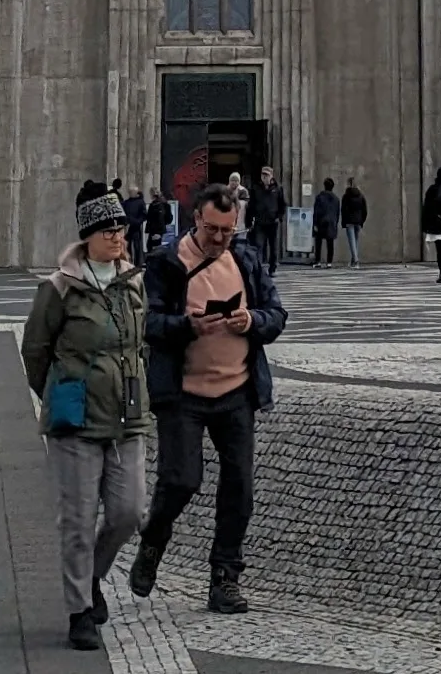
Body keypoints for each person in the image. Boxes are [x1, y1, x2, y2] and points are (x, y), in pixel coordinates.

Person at [130, 181, 286, 618]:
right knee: (181, 480)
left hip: (236, 391)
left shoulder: (246, 259)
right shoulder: (166, 262)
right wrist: (186, 326)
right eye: (213, 229)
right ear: (196, 218)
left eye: (228, 231)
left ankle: (225, 578)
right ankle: (153, 539)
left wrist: (251, 319)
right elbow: (147, 321)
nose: (219, 239)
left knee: (239, 487)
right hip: (182, 393)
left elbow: (277, 315)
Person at [21, 186, 151, 653]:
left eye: (121, 229)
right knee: (77, 518)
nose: (118, 237)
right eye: (109, 230)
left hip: (128, 412)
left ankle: (93, 575)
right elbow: (35, 350)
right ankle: (79, 610)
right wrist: (58, 392)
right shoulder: (59, 287)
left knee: (128, 511)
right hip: (76, 418)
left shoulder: (133, 280)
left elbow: (141, 343)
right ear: (89, 235)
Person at [245, 162, 286, 275]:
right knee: (258, 245)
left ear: (271, 176)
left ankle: (272, 268)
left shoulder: (278, 188)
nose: (265, 177)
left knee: (273, 247)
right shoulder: (256, 188)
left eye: (267, 175)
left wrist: (279, 217)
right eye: (263, 175)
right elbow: (251, 205)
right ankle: (258, 268)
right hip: (260, 221)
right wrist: (249, 221)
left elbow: (282, 204)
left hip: (273, 222)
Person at [309, 177, 340, 265]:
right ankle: (329, 262)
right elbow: (337, 212)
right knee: (330, 243)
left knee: (318, 242)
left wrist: (315, 223)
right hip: (332, 222)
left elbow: (316, 211)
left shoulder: (320, 197)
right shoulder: (336, 199)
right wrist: (336, 222)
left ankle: (318, 261)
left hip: (321, 222)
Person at [339, 175, 367, 267]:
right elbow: (365, 210)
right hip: (358, 222)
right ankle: (353, 260)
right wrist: (362, 221)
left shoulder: (346, 196)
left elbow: (343, 210)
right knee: (355, 241)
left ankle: (355, 261)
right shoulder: (361, 196)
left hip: (349, 222)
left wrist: (343, 223)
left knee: (352, 242)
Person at [122, 183, 147, 268]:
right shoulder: (126, 202)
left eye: (132, 192)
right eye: (130, 192)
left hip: (136, 226)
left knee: (137, 246)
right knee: (127, 245)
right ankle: (129, 262)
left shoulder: (140, 202)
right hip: (128, 226)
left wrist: (138, 221)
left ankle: (137, 263)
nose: (131, 193)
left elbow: (144, 215)